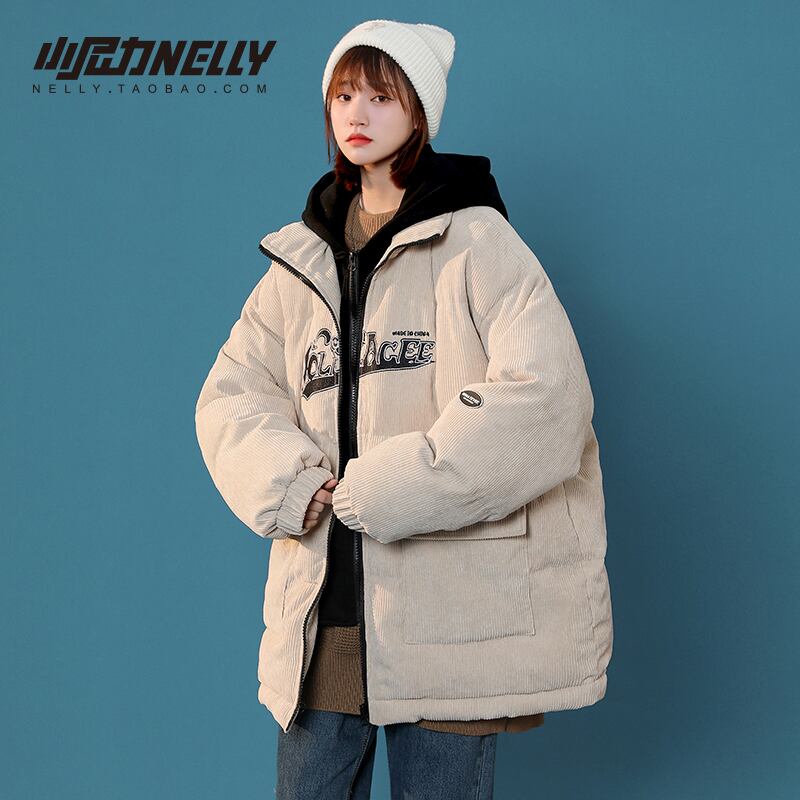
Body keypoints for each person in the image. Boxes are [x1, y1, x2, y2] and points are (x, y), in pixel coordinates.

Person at [195, 18, 613, 800]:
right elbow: (232, 395)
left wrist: (400, 484)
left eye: (381, 97)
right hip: (322, 620)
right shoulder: (300, 261)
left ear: (420, 113)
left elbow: (548, 397)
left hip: (451, 623)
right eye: (343, 96)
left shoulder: (477, 242)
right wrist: (289, 483)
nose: (357, 114)